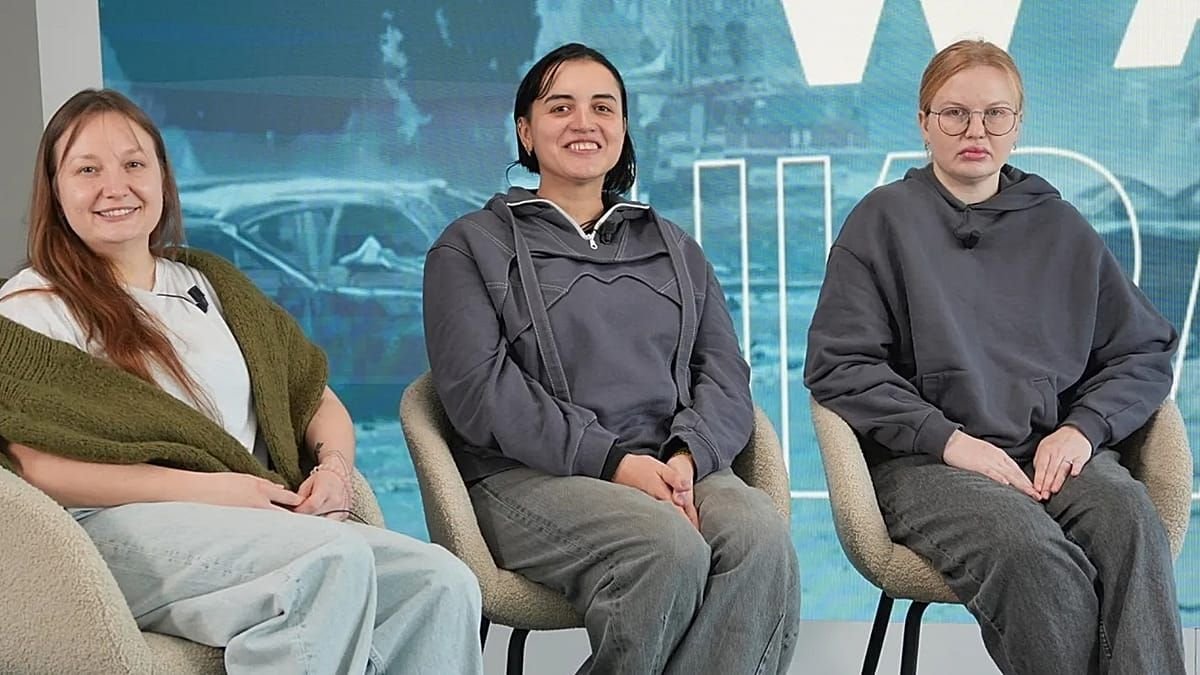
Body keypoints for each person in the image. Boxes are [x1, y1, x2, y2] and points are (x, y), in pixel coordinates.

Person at [0, 89, 483, 675]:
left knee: (441, 581)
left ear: (162, 177)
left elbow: (313, 397)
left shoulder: (211, 284)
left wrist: (334, 472)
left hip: (247, 515)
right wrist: (214, 491)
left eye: (133, 163)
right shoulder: (31, 308)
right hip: (105, 531)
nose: (115, 186)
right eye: (87, 170)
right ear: (54, 189)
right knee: (326, 563)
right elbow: (35, 469)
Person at [804, 39, 1184, 674]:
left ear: (1017, 124)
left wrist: (1083, 430)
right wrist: (951, 442)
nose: (975, 131)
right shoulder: (881, 221)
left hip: (1049, 453)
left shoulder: (1062, 227)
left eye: (994, 114)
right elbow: (840, 366)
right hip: (926, 463)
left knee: (1129, 521)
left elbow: (1142, 350)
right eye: (954, 113)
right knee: (1031, 553)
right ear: (924, 123)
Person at [423, 43, 800, 674]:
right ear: (525, 130)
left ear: (623, 128)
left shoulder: (676, 247)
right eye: (560, 107)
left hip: (674, 466)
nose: (584, 122)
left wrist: (687, 458)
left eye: (603, 108)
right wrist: (616, 464)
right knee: (663, 547)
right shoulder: (469, 247)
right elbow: (479, 394)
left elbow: (724, 374)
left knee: (760, 537)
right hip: (528, 477)